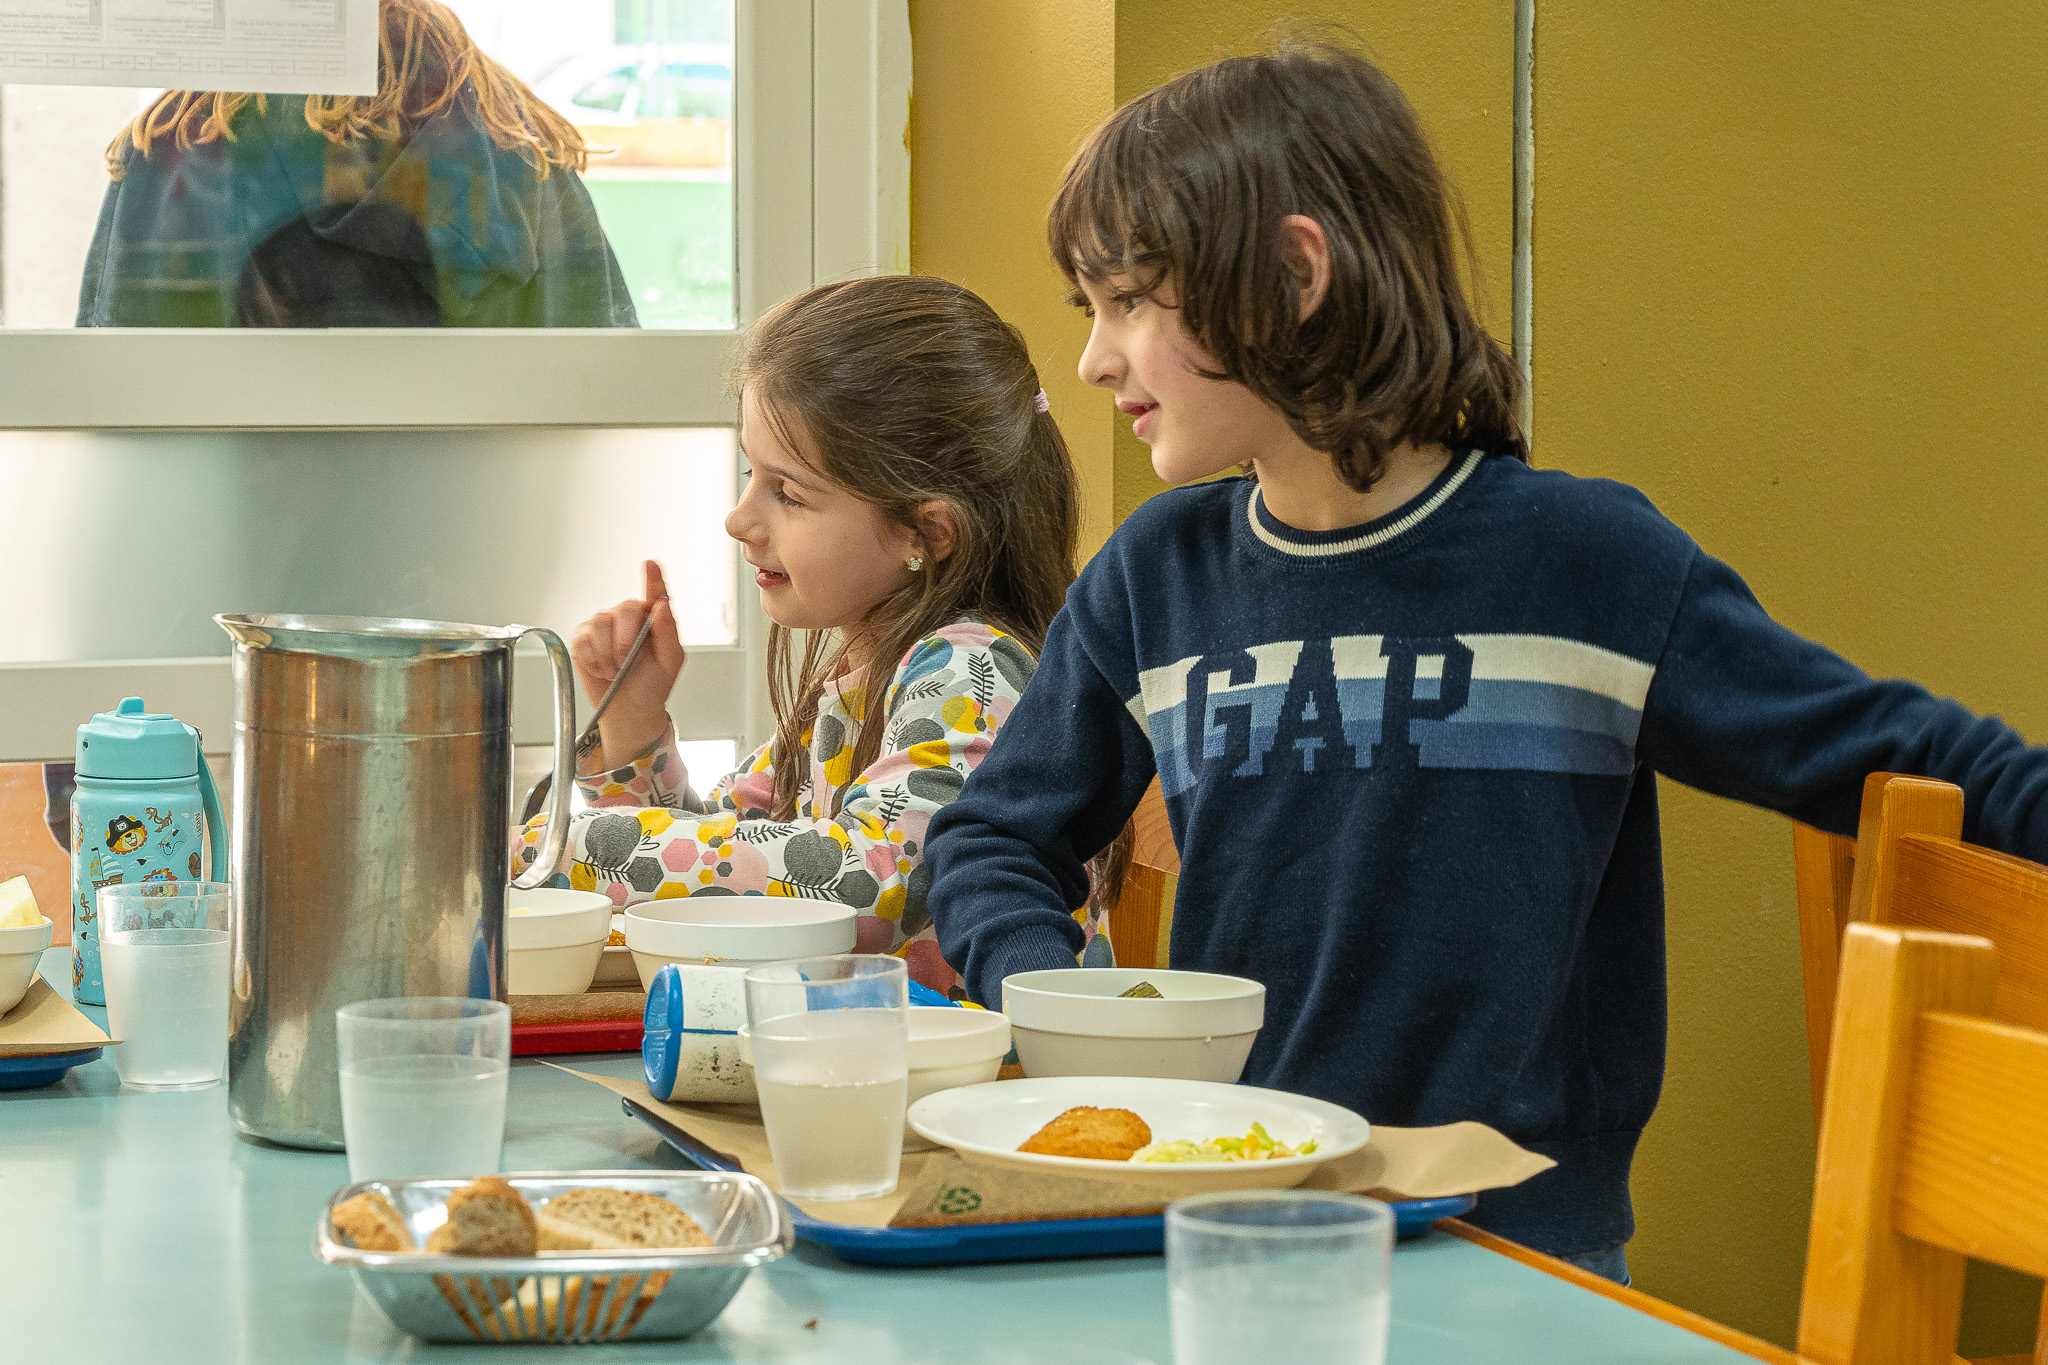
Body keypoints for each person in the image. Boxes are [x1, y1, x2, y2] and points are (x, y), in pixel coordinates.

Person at [922, 40, 2048, 1281]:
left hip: (1518, 1253)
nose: (1093, 359)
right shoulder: (1154, 575)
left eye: (1129, 301)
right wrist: (1057, 999)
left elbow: (1907, 758)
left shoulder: (1589, 564)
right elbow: (988, 839)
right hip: (1236, 1225)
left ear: (1294, 275)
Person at [516, 275, 1103, 998]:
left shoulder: (969, 672)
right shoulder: (857, 674)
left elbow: (870, 885)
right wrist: (634, 728)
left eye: (788, 493)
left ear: (925, 533)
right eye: (751, 473)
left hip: (985, 1063)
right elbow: (736, 864)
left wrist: (571, 846)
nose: (738, 519)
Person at [79, 0, 634, 327]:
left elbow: (116, 381)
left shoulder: (187, 133)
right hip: (477, 477)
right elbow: (597, 370)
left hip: (239, 480)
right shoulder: (510, 130)